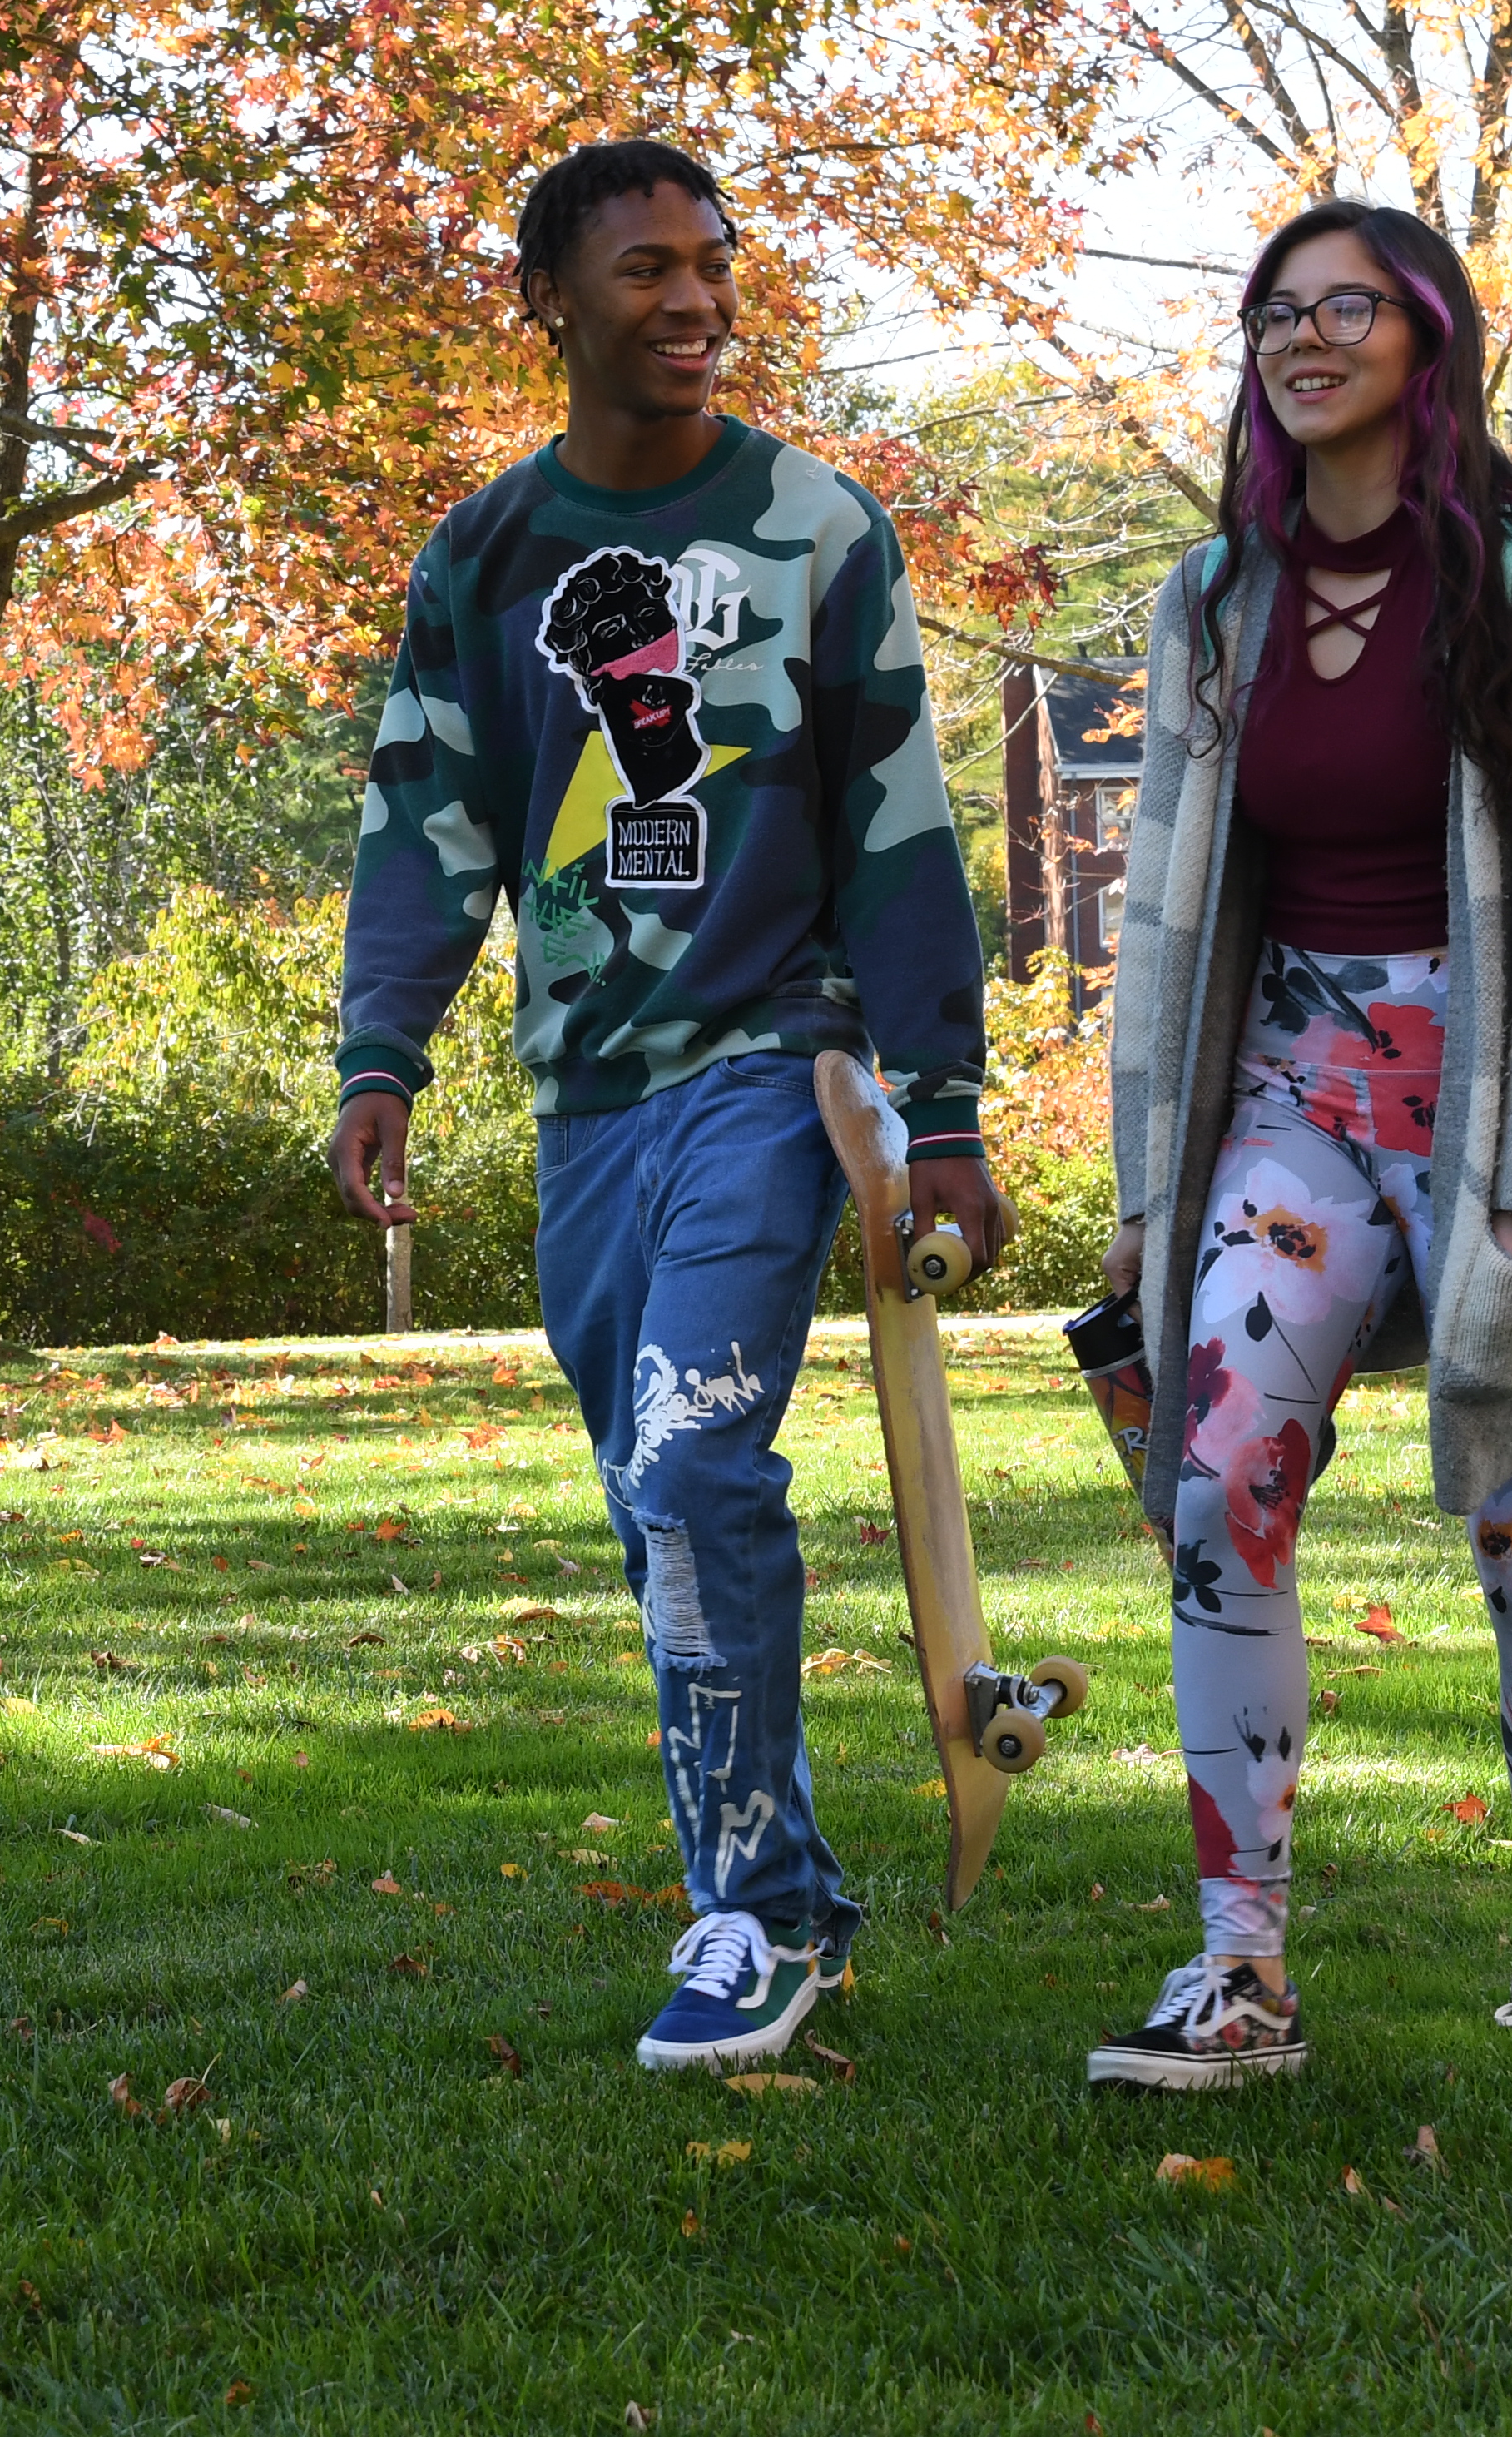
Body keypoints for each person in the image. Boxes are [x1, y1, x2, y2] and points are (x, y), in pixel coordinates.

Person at [329, 137, 1007, 2077]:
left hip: (776, 1069)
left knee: (698, 1464)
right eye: (644, 269)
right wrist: (384, 1051)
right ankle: (783, 1879)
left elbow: (898, 829)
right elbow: (425, 817)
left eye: (713, 262)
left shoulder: (814, 527)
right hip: (587, 1100)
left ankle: (756, 1917)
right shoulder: (485, 553)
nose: (695, 296)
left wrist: (940, 1105)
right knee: (658, 1503)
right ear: (548, 300)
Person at [1086, 198, 1512, 2092]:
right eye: (1276, 312)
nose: (1304, 338)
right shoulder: (1209, 600)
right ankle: (1238, 1967)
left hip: (1503, 1094)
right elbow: (1164, 911)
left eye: (1348, 308)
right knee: (1216, 1489)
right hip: (1289, 1093)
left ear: (1427, 337)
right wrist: (1143, 1205)